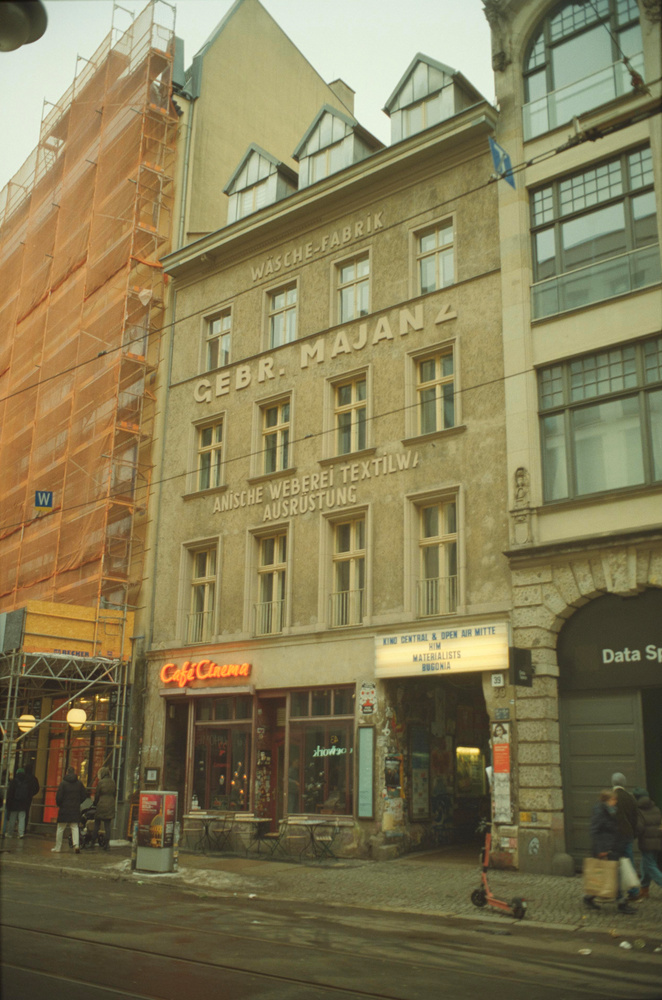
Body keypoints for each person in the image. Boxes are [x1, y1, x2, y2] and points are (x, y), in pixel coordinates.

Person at [583, 789, 636, 913]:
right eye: (613, 799)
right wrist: (600, 849)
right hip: (604, 849)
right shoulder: (600, 811)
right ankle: (621, 903)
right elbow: (595, 831)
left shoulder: (611, 810)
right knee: (611, 875)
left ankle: (589, 897)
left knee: (609, 875)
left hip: (612, 848)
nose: (615, 802)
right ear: (607, 800)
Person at [612, 771, 643, 902]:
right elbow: (635, 818)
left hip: (615, 836)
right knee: (629, 862)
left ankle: (612, 891)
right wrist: (632, 833)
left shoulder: (612, 797)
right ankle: (634, 892)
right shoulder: (630, 798)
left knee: (613, 864)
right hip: (628, 834)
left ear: (613, 783)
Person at [633, 787, 662, 898]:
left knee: (650, 866)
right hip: (658, 841)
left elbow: (639, 828)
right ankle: (644, 889)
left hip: (646, 843)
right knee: (645, 864)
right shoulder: (656, 808)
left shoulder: (639, 811)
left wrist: (633, 835)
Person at [52, 766, 87, 854]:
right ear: (74, 772)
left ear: (67, 772)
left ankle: (58, 847)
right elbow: (84, 795)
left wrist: (59, 804)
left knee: (60, 828)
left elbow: (59, 797)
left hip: (64, 808)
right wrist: (78, 802)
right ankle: (76, 845)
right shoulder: (79, 783)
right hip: (75, 808)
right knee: (74, 827)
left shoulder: (63, 783)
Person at [92, 767, 116, 851]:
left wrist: (95, 803)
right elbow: (114, 793)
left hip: (101, 805)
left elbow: (97, 794)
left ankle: (92, 842)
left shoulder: (101, 782)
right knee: (107, 826)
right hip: (110, 805)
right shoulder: (113, 782)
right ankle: (107, 844)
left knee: (97, 824)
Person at [5, 767, 31, 839]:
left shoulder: (14, 782)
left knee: (12, 818)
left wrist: (8, 803)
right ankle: (21, 834)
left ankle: (10, 833)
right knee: (22, 818)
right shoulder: (26, 782)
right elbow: (29, 794)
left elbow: (10, 793)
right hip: (23, 804)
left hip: (14, 803)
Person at [23, 763, 40, 833]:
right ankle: (23, 828)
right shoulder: (34, 778)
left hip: (20, 797)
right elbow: (37, 788)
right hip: (28, 797)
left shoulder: (23, 777)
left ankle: (17, 827)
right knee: (26, 813)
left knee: (18, 813)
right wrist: (32, 794)